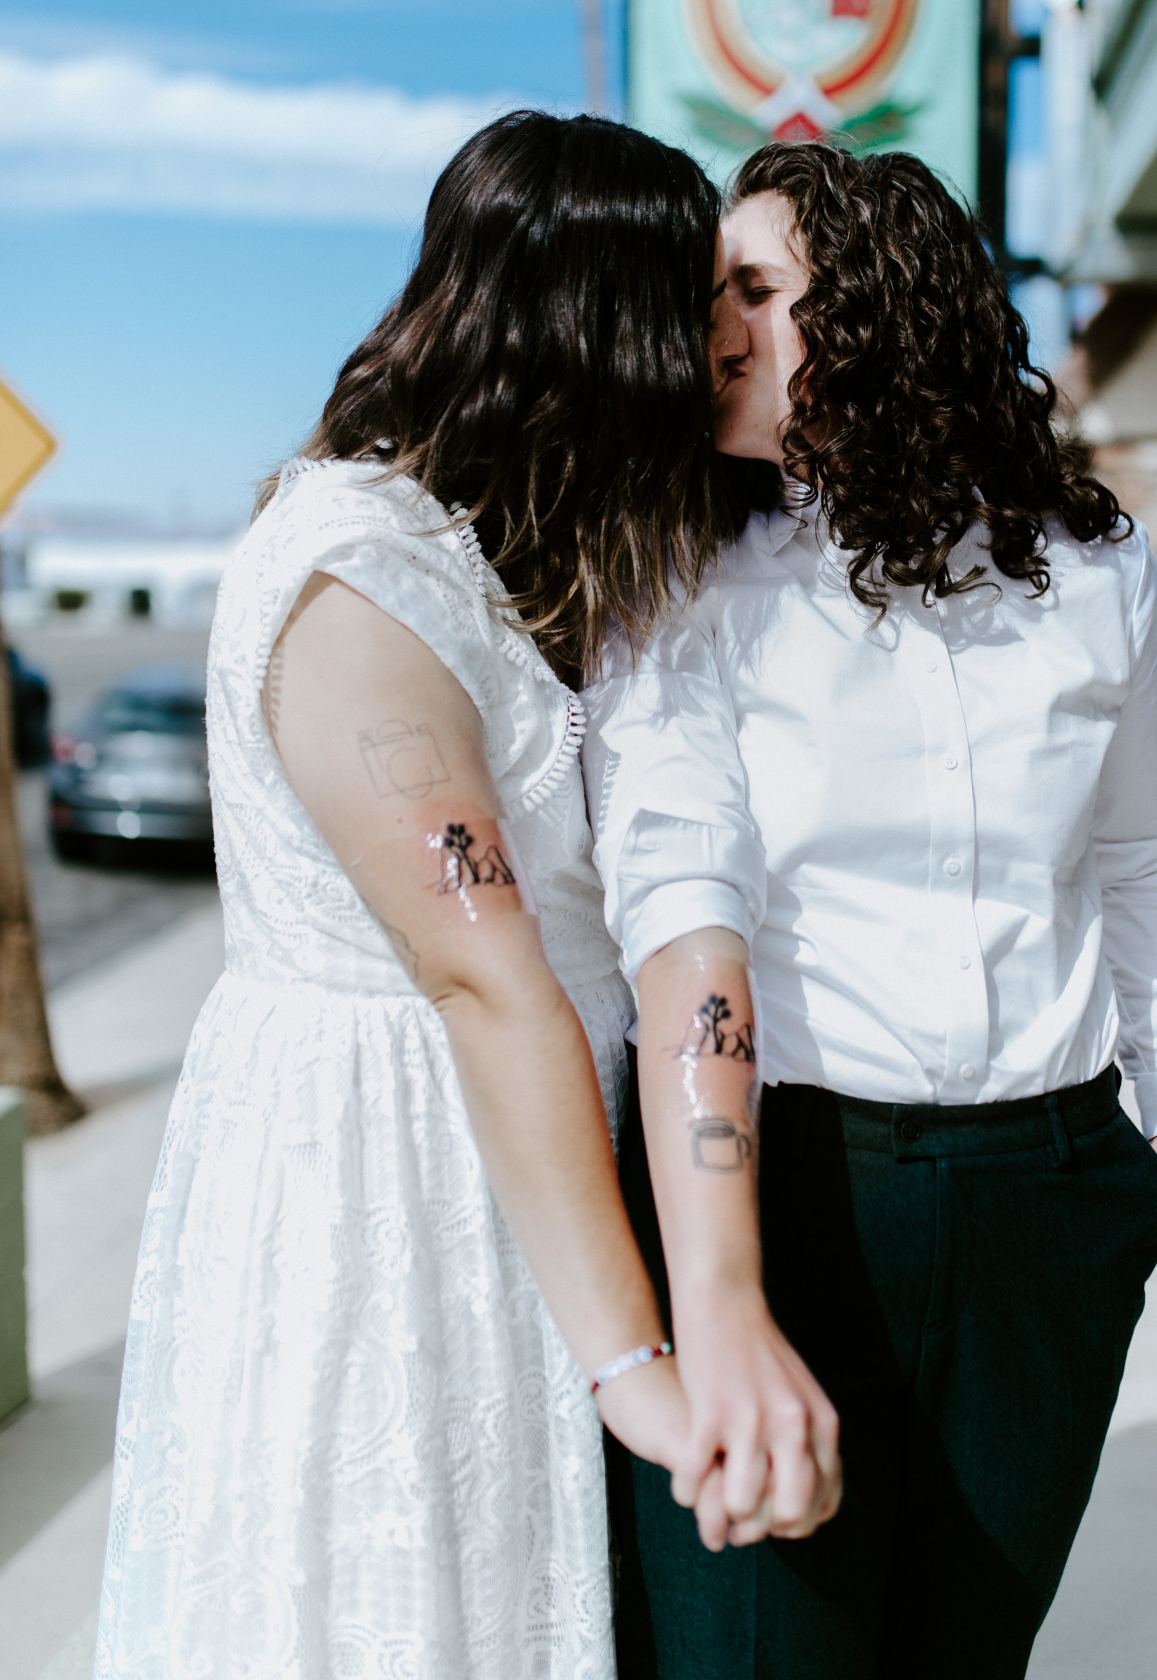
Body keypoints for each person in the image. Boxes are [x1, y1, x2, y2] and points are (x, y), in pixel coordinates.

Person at [93, 111, 838, 1680]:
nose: (720, 336)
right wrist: (640, 1363)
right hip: (392, 1167)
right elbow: (483, 974)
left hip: (517, 1161)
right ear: (594, 325)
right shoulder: (363, 571)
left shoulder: (500, 548)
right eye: (695, 298)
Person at [583, 140, 1157, 1679]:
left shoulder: (1094, 564)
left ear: (882, 308)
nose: (714, 327)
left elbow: (1150, 849)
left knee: (963, 1654)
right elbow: (682, 901)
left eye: (755, 288)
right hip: (782, 1193)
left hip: (1048, 1198)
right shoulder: (677, 573)